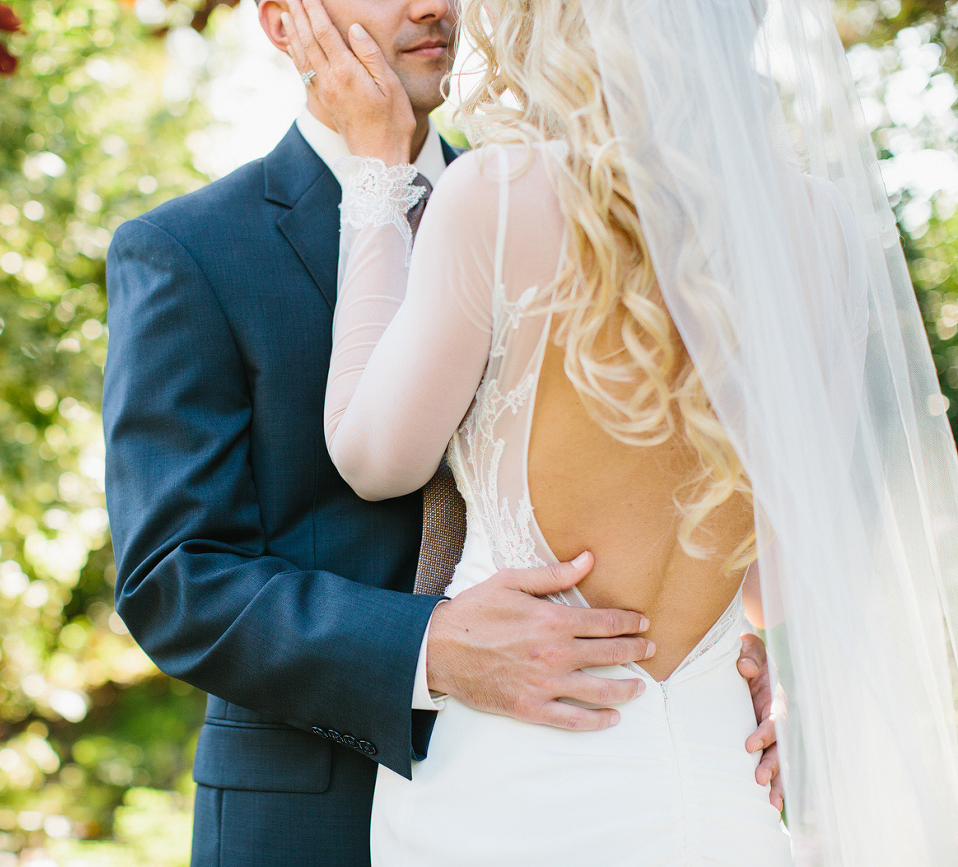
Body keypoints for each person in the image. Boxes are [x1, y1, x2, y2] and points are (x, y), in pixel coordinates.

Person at [102, 0, 781, 860]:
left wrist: (721, 667)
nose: (433, 5)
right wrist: (426, 647)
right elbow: (173, 578)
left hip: (582, 785)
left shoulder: (565, 206)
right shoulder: (188, 248)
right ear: (282, 25)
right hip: (307, 812)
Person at [291, 0, 958, 861]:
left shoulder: (496, 197)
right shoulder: (818, 228)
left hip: (511, 788)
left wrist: (376, 176)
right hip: (725, 790)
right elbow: (776, 588)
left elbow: (371, 457)